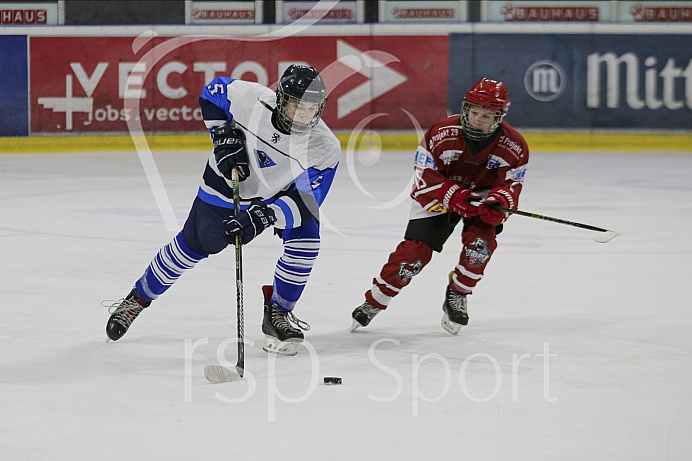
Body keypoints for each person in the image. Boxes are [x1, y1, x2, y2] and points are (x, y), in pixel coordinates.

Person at [105, 64, 341, 356]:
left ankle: (278, 313)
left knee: (307, 240)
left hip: (278, 194)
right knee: (191, 246)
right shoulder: (251, 99)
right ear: (281, 100)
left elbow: (306, 203)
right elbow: (211, 92)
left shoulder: (324, 146)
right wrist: (222, 135)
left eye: (311, 109)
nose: (305, 116)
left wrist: (265, 216)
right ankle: (137, 299)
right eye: (297, 107)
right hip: (225, 182)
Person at [351, 78, 529, 335]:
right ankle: (375, 301)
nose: (478, 120)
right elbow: (423, 178)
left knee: (480, 246)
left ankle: (458, 293)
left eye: (486, 115)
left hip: (481, 198)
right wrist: (454, 197)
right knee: (413, 255)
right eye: (474, 112)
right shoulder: (441, 132)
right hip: (439, 194)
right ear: (466, 108)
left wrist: (500, 202)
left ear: (499, 117)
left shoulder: (514, 146)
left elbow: (512, 185)